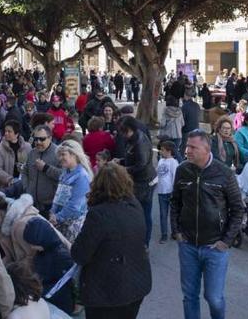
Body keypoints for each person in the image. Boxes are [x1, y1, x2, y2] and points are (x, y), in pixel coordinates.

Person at [171, 129, 245, 319]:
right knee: (189, 296)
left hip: (214, 247)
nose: (187, 150)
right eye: (187, 146)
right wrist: (176, 231)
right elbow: (175, 202)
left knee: (214, 298)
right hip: (188, 245)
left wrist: (225, 241)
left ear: (206, 149)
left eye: (192, 147)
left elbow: (238, 209)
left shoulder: (224, 173)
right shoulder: (183, 170)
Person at [71, 163, 152, 319]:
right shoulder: (135, 205)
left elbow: (80, 254)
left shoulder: (98, 214)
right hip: (136, 285)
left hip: (106, 292)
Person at [115, 115, 157, 245]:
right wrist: (121, 161)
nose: (123, 135)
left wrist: (124, 169)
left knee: (143, 213)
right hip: (137, 181)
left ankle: (145, 243)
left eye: (125, 132)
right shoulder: (132, 139)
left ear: (132, 129)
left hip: (145, 182)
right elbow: (131, 158)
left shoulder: (139, 141)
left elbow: (141, 164)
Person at [23, 217, 75, 314]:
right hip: (44, 298)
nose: (31, 247)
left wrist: (38, 291)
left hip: (59, 303)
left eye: (33, 244)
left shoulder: (61, 256)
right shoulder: (42, 251)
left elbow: (62, 284)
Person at [50, 140, 93, 241]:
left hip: (72, 226)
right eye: (59, 155)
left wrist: (57, 217)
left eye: (63, 155)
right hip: (60, 222)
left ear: (74, 154)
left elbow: (75, 206)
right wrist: (53, 212)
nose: (60, 158)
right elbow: (59, 196)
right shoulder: (66, 172)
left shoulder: (82, 176)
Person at [23, 124, 63, 215]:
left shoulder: (59, 154)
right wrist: (26, 188)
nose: (38, 142)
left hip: (50, 206)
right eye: (36, 139)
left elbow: (63, 175)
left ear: (50, 138)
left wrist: (46, 168)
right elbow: (25, 171)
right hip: (32, 204)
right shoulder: (32, 153)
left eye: (42, 139)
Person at [0, 120, 33, 191]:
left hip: (23, 186)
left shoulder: (27, 147)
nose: (6, 133)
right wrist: (10, 180)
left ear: (17, 133)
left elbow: (30, 165)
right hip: (3, 187)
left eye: (9, 131)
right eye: (5, 131)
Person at [157, 140, 180, 243]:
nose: (160, 152)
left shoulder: (173, 162)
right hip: (161, 192)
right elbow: (158, 175)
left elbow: (176, 177)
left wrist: (175, 191)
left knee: (173, 214)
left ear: (169, 151)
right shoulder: (160, 161)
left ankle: (174, 232)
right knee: (163, 214)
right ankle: (164, 234)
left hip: (170, 191)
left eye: (162, 150)